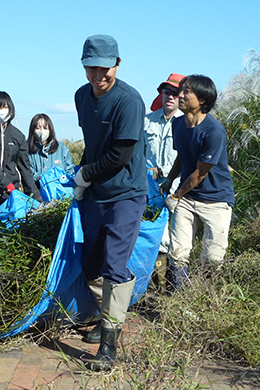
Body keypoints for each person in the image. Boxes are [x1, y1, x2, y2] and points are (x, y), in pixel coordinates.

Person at [73, 34, 148, 371]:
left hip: (126, 194)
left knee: (114, 265)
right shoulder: (81, 97)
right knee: (91, 262)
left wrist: (86, 172)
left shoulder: (129, 101)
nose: (98, 75)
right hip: (95, 195)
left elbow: (120, 154)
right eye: (92, 67)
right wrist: (82, 178)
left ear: (117, 64)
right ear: (85, 65)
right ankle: (107, 319)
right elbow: (93, 143)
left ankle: (108, 345)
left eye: (105, 68)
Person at [162, 74, 235, 291]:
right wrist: (170, 179)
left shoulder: (214, 131)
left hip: (216, 199)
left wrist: (175, 196)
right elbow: (182, 156)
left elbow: (200, 173)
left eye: (186, 92)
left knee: (212, 256)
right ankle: (181, 297)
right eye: (180, 90)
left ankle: (204, 297)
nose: (179, 95)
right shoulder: (177, 124)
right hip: (187, 197)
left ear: (202, 100)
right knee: (178, 252)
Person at [143, 73, 185, 292]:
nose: (170, 96)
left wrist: (166, 173)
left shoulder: (186, 123)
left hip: (177, 189)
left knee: (174, 238)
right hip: (149, 189)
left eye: (175, 93)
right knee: (152, 235)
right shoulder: (146, 121)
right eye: (166, 91)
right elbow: (135, 154)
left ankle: (170, 289)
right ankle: (152, 289)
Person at [0, 91, 41, 207]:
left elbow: (25, 168)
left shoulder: (17, 136)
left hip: (11, 193)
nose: (2, 111)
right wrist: (5, 183)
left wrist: (35, 197)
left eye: (5, 107)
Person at [27, 113, 75, 190]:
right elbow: (28, 173)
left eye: (45, 128)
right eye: (38, 128)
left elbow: (70, 171)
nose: (42, 131)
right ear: (32, 130)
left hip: (62, 194)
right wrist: (43, 180)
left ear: (50, 129)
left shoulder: (62, 149)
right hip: (38, 194)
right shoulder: (27, 151)